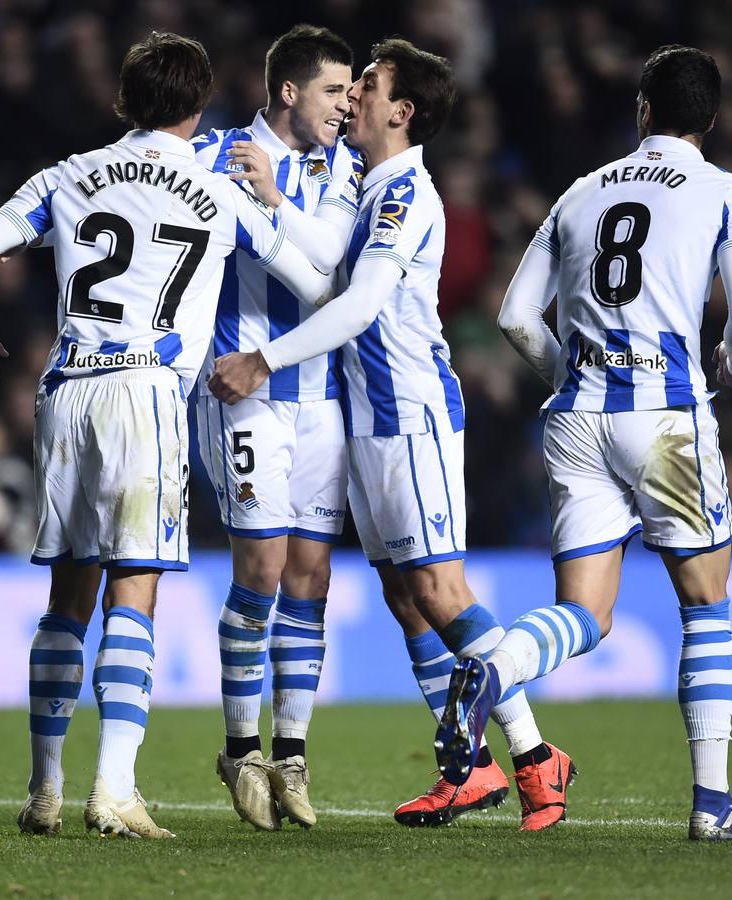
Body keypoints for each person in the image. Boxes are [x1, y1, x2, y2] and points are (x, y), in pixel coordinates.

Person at [0, 31, 331, 839]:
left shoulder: (68, 175)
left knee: (67, 598)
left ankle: (43, 788)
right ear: (200, 107)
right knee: (135, 588)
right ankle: (113, 787)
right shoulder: (218, 187)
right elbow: (318, 283)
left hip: (66, 391)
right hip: (147, 394)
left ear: (124, 100)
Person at [206, 38, 568, 832]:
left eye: (365, 85)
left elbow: (358, 303)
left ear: (399, 112)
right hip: (366, 418)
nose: (352, 97)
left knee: (441, 590)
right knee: (407, 600)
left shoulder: (407, 193)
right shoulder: (368, 185)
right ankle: (467, 775)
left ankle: (538, 757)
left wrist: (263, 357)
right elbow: (328, 259)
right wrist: (274, 200)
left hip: (410, 417)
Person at [435, 44, 732, 840]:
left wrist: (573, 378)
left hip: (579, 415)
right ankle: (712, 803)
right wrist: (728, 365)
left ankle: (494, 671)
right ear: (714, 119)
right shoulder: (725, 192)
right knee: (707, 605)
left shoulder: (581, 192)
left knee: (584, 613)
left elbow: (519, 317)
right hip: (665, 416)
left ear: (643, 111)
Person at [188, 23, 363, 832]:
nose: (348, 102)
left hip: (318, 394)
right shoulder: (215, 155)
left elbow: (332, 277)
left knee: (310, 578)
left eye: (352, 88)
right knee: (259, 568)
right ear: (288, 91)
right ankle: (239, 747)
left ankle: (291, 756)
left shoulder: (348, 170)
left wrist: (275, 200)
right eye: (334, 89)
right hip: (240, 388)